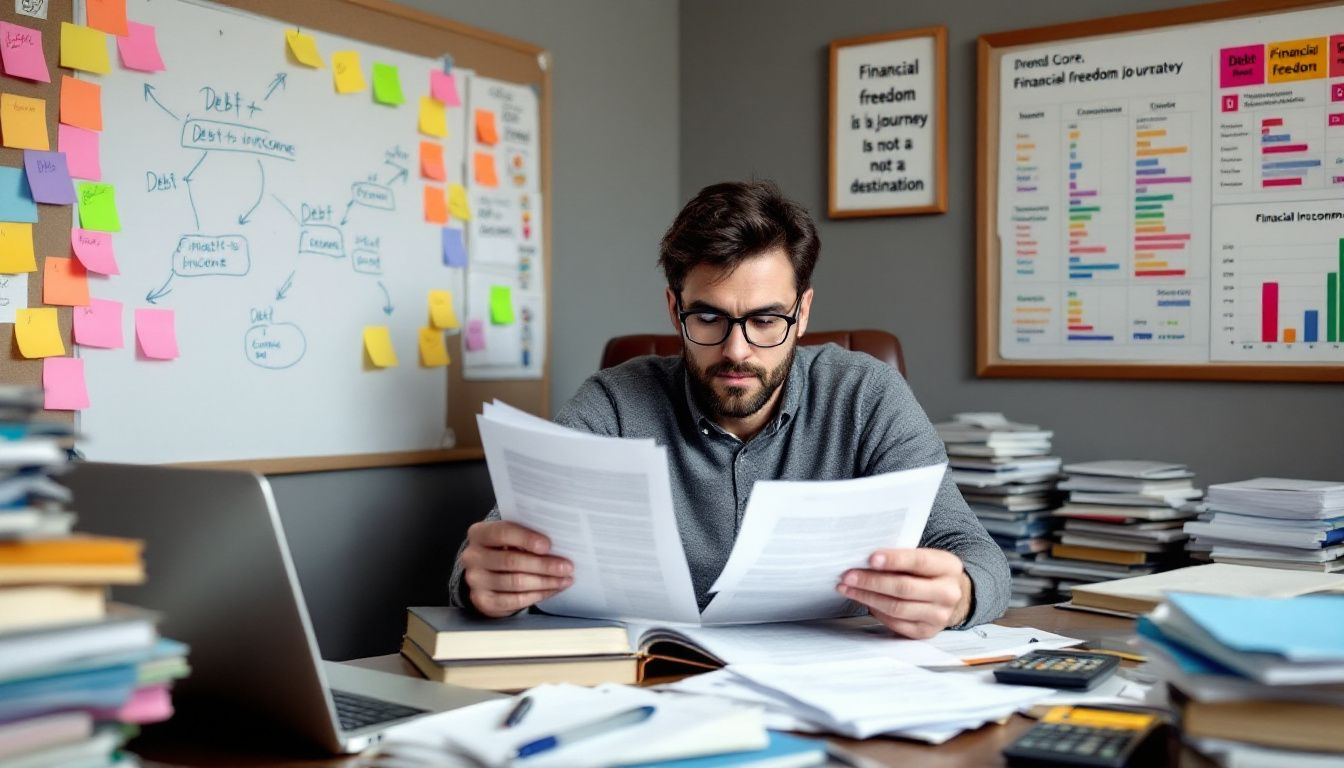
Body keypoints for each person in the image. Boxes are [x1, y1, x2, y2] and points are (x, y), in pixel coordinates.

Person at [450, 180, 1010, 638]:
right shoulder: (614, 404)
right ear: (675, 308)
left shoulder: (868, 395)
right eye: (710, 318)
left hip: (832, 689)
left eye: (766, 320)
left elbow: (975, 554)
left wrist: (957, 593)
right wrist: (482, 580)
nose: (737, 351)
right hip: (658, 689)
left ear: (803, 311)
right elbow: (501, 541)